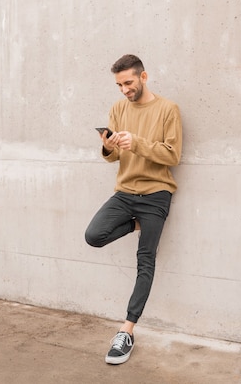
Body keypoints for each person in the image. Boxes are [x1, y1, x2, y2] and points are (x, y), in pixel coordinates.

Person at [85, 54, 182, 365]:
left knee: (145, 260)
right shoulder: (118, 108)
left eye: (128, 83)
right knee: (94, 235)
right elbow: (113, 158)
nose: (124, 89)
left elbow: (172, 155)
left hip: (156, 194)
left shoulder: (168, 109)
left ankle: (126, 331)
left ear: (144, 77)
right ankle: (137, 224)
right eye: (119, 85)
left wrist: (136, 142)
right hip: (125, 192)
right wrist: (109, 146)